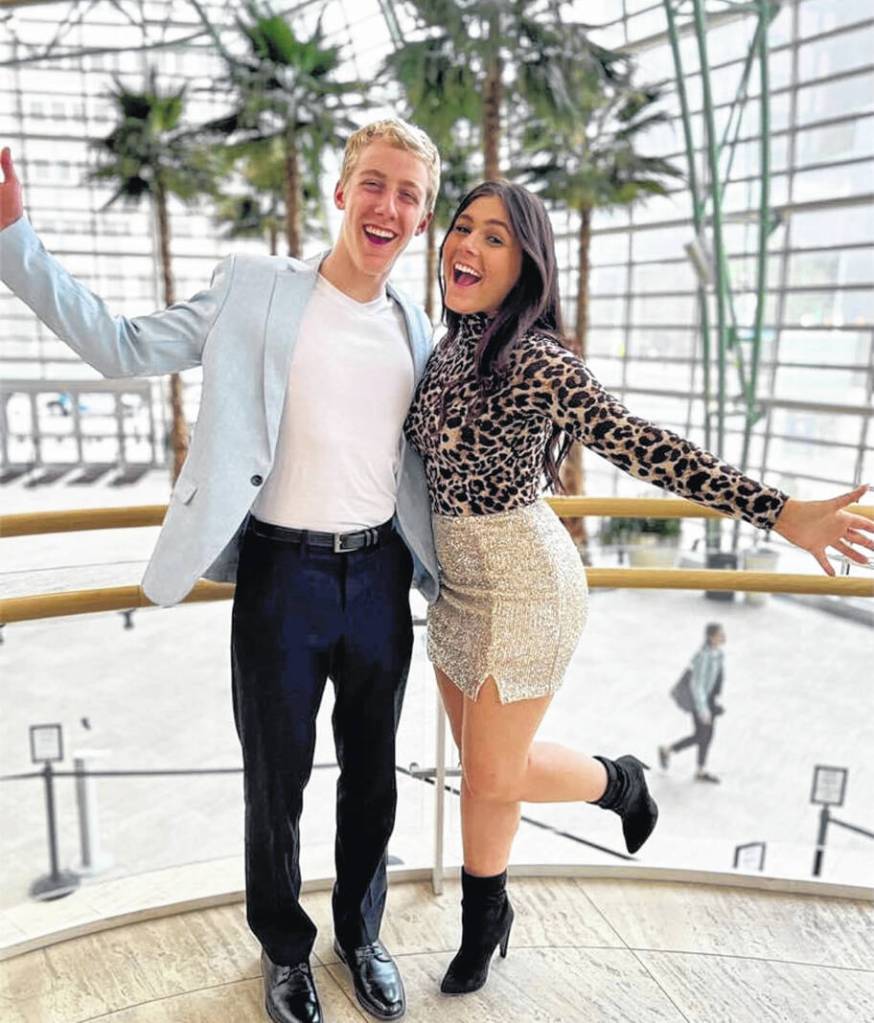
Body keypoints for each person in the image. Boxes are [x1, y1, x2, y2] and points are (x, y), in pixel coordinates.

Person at [0, 120, 442, 1023]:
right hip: (282, 575)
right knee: (275, 783)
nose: (387, 205)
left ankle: (361, 935)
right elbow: (120, 346)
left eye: (409, 194)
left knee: (374, 777)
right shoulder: (255, 289)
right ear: (341, 191)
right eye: (374, 182)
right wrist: (14, 238)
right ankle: (285, 950)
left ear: (423, 218)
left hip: (380, 578)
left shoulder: (416, 326)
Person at [403, 180, 874, 996]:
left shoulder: (536, 361)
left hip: (524, 585)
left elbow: (645, 445)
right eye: (463, 228)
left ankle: (618, 781)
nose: (467, 247)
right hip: (456, 586)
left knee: (494, 772)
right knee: (485, 773)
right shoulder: (443, 348)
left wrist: (779, 511)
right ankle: (488, 915)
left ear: (527, 266)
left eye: (495, 238)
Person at [660, 622, 726, 783]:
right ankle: (668, 750)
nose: (723, 636)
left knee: (707, 736)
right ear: (711, 637)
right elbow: (697, 685)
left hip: (710, 700)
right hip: (701, 702)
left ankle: (700, 770)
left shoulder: (718, 654)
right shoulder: (704, 656)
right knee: (701, 735)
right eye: (719, 634)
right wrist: (703, 709)